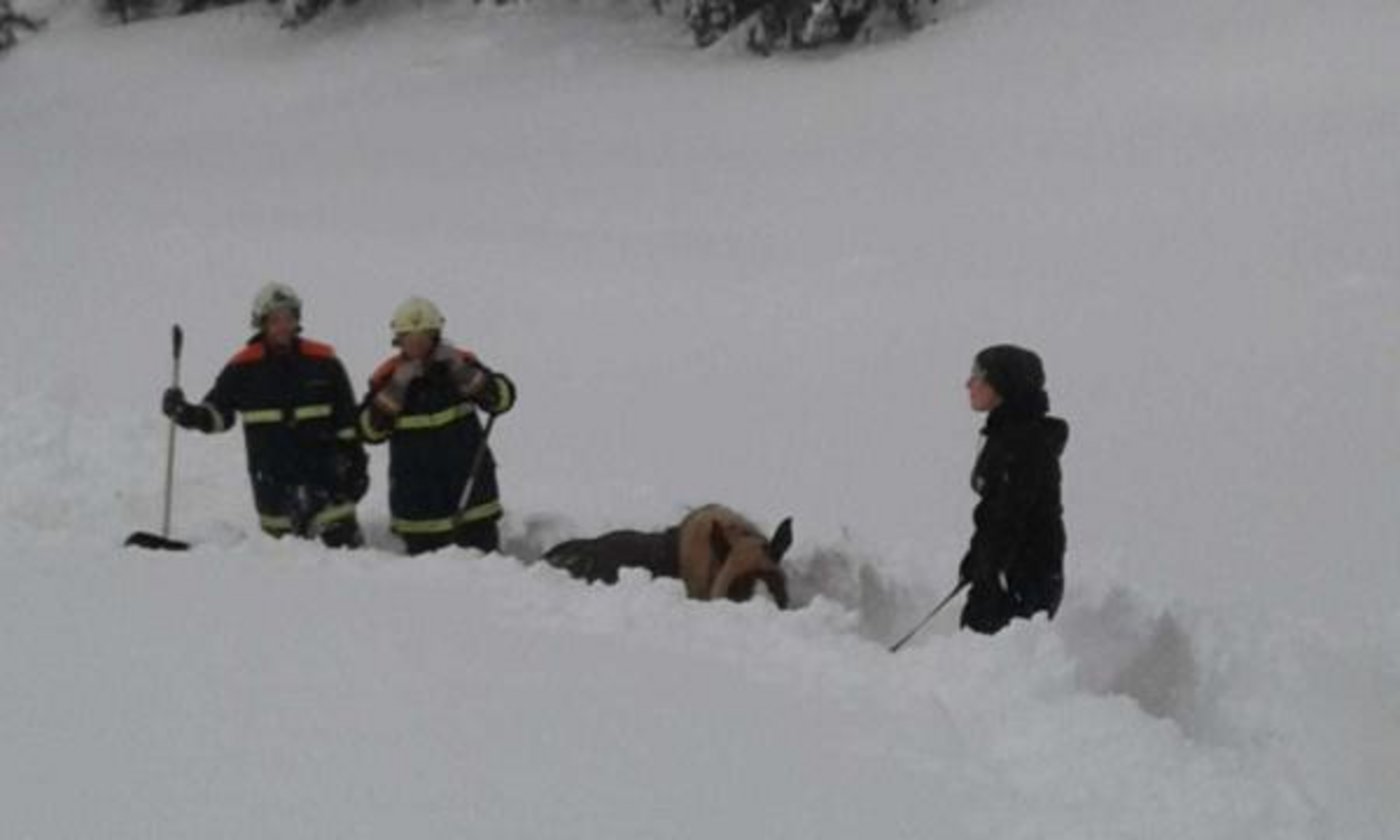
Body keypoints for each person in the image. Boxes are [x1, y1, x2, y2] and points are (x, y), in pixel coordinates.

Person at [162, 283, 368, 548]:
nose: (283, 326)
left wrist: (357, 466)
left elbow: (347, 422)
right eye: (275, 320)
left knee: (348, 568)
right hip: (273, 492)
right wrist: (186, 413)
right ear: (261, 323)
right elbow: (218, 414)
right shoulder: (242, 367)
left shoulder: (325, 363)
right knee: (278, 574)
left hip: (328, 490)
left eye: (289, 318)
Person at [359, 297, 516, 556]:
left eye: (424, 336)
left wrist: (465, 374)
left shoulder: (461, 364)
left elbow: (502, 399)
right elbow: (369, 431)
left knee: (488, 576)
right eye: (409, 337)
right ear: (398, 339)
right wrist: (395, 391)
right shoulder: (386, 378)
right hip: (418, 510)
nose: (417, 344)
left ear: (436, 335)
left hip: (473, 503)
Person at [957, 344, 1068, 634]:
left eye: (977, 375)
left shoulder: (1020, 444)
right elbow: (995, 514)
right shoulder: (1010, 437)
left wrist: (989, 574)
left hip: (1018, 583)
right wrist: (976, 565)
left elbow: (1006, 519)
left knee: (982, 661)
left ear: (1002, 383)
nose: (968, 384)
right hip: (1011, 578)